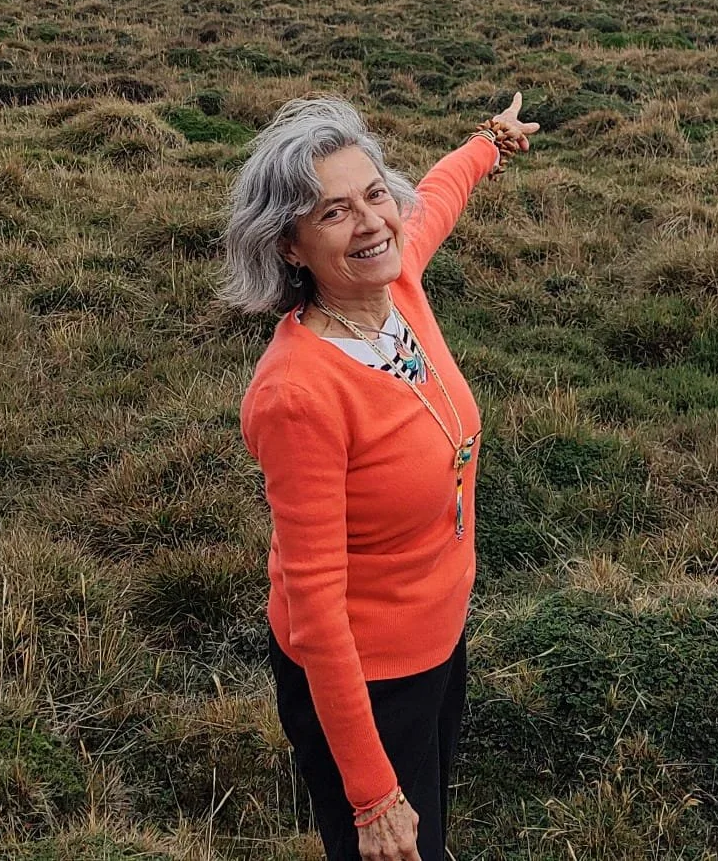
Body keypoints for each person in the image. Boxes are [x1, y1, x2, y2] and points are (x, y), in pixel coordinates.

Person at [225, 93, 537, 861]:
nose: (371, 223)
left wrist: (489, 142)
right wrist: (369, 796)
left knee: (429, 816)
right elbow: (316, 611)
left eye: (374, 195)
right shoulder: (299, 396)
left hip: (437, 639)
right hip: (363, 680)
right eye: (334, 212)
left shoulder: (395, 289)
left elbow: (437, 195)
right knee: (389, 841)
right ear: (290, 245)